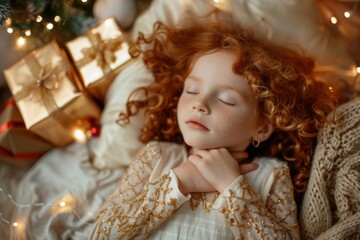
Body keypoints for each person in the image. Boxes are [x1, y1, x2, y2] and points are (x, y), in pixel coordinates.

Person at [88, 20, 336, 239]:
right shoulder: (157, 157)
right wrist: (179, 182)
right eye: (192, 90)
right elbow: (101, 234)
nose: (199, 103)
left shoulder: (270, 176)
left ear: (262, 128)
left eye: (226, 99)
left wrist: (232, 186)